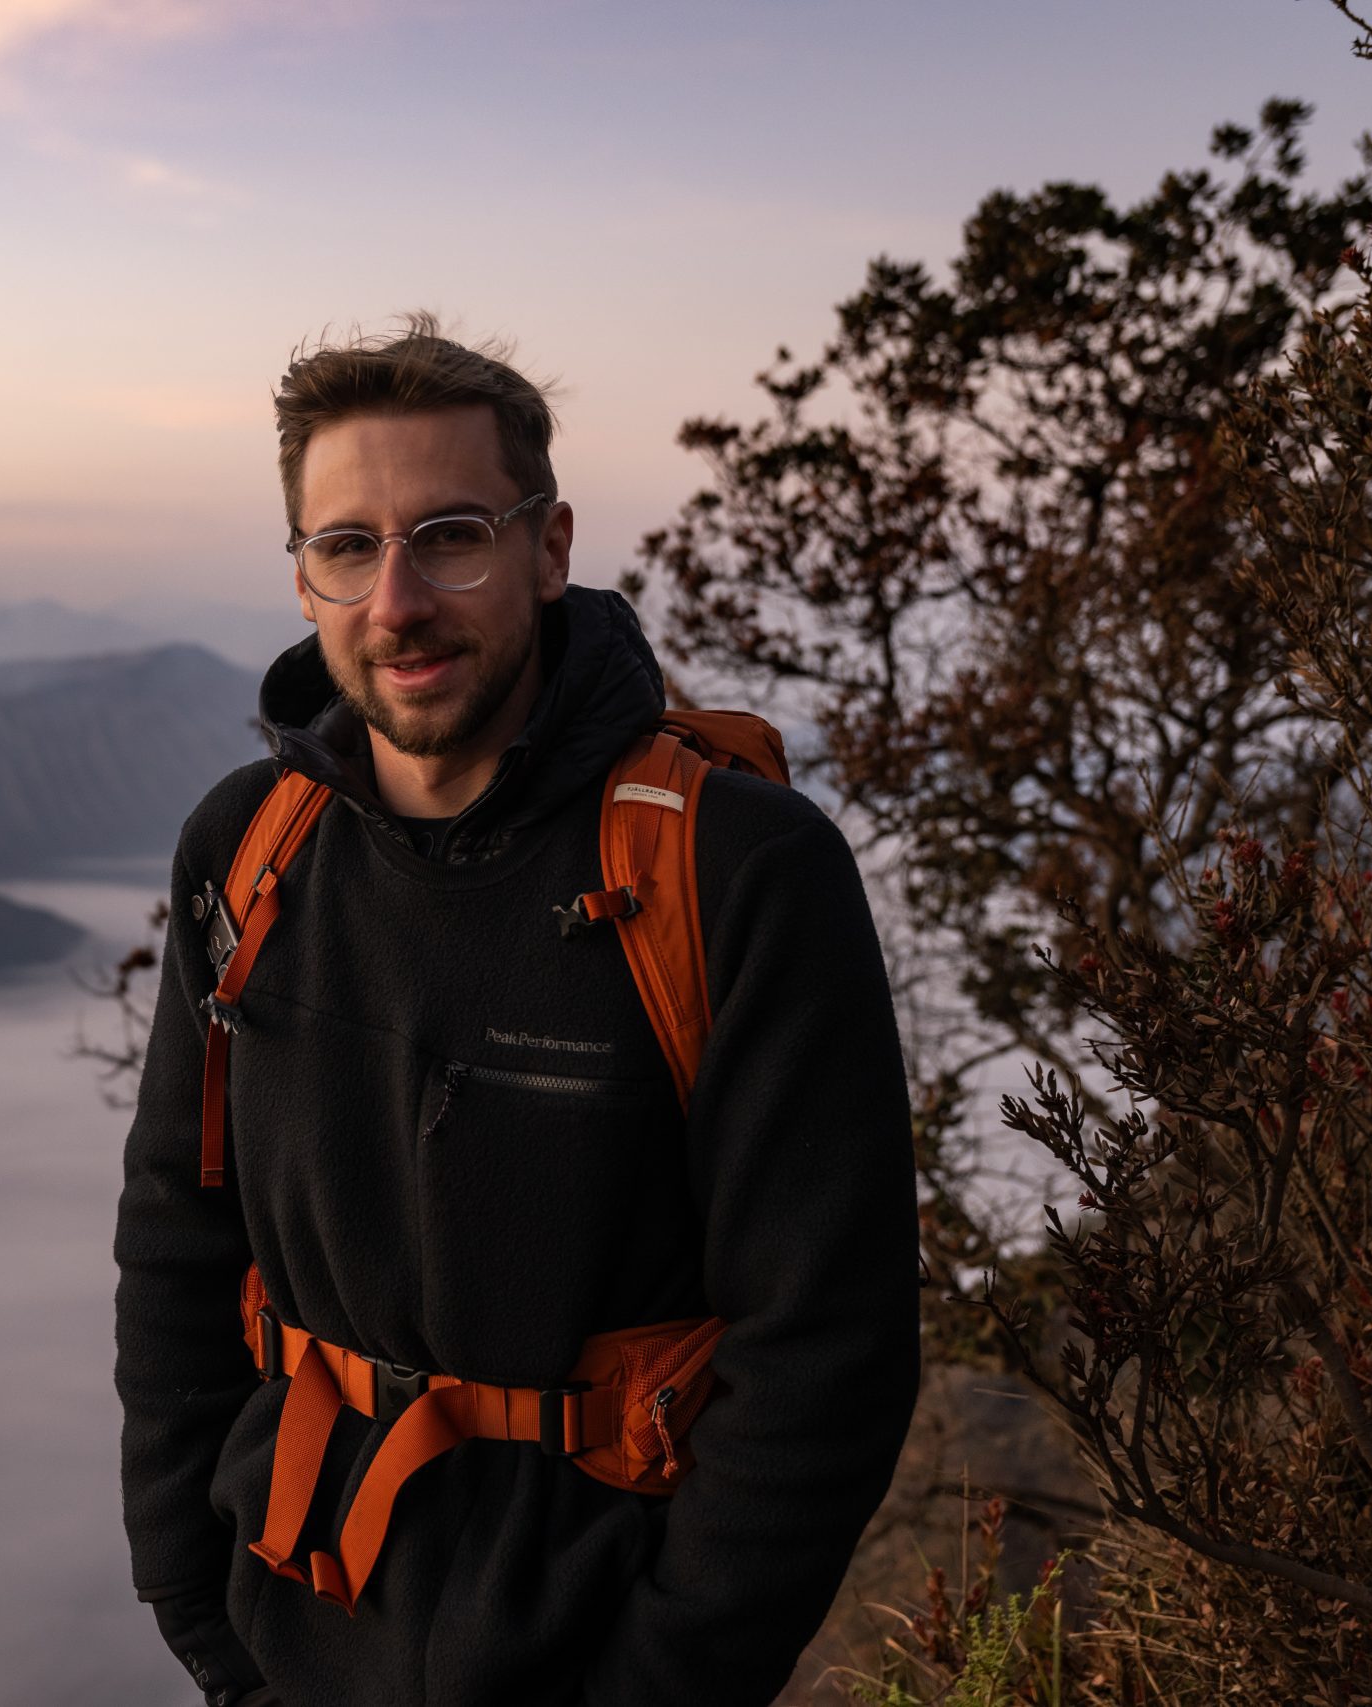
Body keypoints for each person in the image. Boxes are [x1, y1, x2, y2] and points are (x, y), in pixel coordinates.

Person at [112, 315, 918, 1707]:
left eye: (453, 535)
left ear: (549, 549)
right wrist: (201, 1612)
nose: (398, 602)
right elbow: (180, 1242)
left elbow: (825, 1348)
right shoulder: (249, 853)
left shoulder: (729, 871)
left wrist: (666, 1675)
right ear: (304, 577)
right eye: (347, 547)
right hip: (291, 1633)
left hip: (599, 1657)